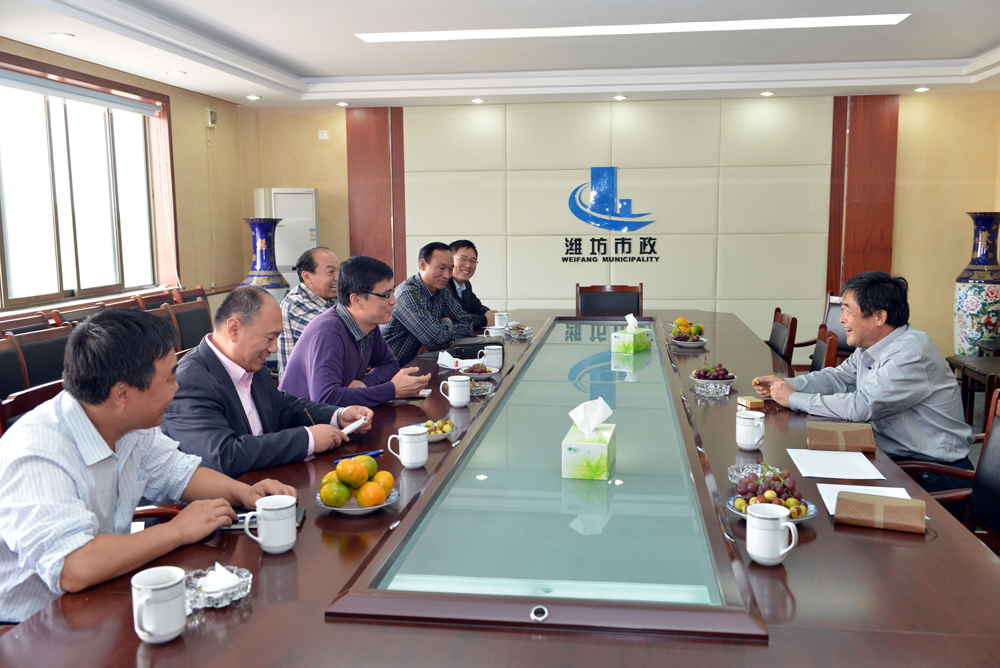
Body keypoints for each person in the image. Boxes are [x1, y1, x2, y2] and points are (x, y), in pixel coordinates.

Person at [0, 309, 297, 624]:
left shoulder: (126, 422)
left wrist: (245, 493)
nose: (177, 387)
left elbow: (178, 472)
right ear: (122, 393)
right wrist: (177, 530)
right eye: (169, 378)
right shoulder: (37, 454)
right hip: (32, 626)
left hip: (103, 595)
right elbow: (75, 567)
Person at [753, 271, 975, 497]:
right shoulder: (873, 345)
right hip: (892, 457)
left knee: (820, 494)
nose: (842, 319)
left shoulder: (909, 354)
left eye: (848, 311)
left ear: (879, 317)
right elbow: (837, 378)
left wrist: (792, 398)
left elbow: (861, 406)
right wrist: (786, 384)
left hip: (932, 474)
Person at [161, 286, 373, 479]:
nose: (273, 349)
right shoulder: (189, 382)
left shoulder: (251, 364)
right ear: (234, 329)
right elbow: (223, 456)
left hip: (268, 480)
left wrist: (338, 416)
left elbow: (282, 407)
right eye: (269, 338)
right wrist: (306, 439)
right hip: (223, 500)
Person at [280, 255, 430, 407]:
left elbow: (389, 363)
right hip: (303, 419)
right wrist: (392, 390)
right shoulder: (328, 332)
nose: (393, 301)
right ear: (356, 300)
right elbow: (325, 399)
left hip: (340, 415)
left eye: (392, 292)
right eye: (386, 295)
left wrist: (365, 384)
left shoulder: (368, 324)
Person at [381, 242, 475, 365]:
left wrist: (436, 336)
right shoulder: (408, 293)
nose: (447, 275)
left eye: (450, 269)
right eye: (441, 268)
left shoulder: (442, 291)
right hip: (393, 367)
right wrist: (447, 323)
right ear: (423, 264)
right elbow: (434, 337)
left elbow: (467, 323)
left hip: (421, 362)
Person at [277, 248, 340, 379]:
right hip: (302, 389)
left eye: (339, 271)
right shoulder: (295, 303)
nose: (338, 278)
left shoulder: (331, 297)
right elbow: (339, 328)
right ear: (307, 277)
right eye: (331, 272)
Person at [446, 239, 496, 328]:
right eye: (463, 259)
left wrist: (489, 313)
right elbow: (454, 318)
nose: (468, 265)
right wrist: (485, 320)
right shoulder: (443, 285)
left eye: (473, 261)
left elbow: (476, 307)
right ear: (449, 259)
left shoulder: (466, 284)